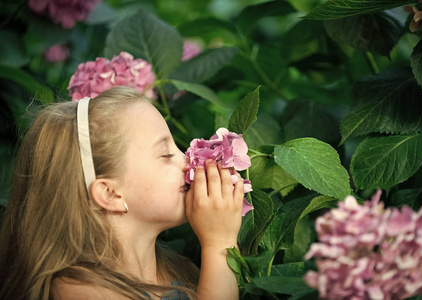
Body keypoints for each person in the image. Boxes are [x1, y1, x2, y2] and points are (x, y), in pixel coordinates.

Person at [0, 86, 244, 299]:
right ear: (110, 194)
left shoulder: (177, 270)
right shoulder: (81, 290)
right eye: (167, 154)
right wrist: (218, 244)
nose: (188, 160)